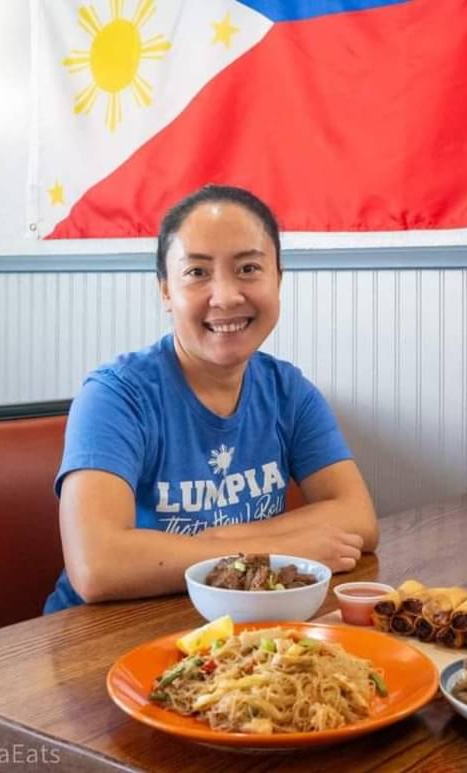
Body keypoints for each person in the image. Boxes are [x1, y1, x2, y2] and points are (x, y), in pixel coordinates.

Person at [44, 185, 378, 613]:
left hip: (230, 629)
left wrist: (209, 545)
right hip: (97, 635)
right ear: (166, 291)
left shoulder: (288, 390)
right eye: (197, 273)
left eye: (249, 268)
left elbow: (359, 519)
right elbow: (98, 566)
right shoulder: (115, 395)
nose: (225, 296)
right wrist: (285, 547)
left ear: (279, 279)